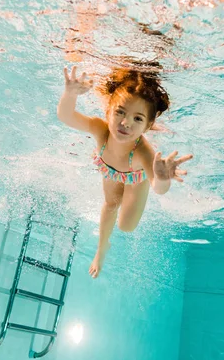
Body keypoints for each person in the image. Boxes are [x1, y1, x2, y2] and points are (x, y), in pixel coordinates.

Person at [57, 62, 193, 278]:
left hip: (136, 179)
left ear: (148, 126)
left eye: (137, 118)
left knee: (126, 226)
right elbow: (66, 116)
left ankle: (116, 229)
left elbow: (159, 188)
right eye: (120, 112)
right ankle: (101, 249)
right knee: (110, 204)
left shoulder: (143, 151)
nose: (125, 122)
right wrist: (70, 94)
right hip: (109, 170)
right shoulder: (100, 129)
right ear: (108, 110)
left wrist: (162, 177)